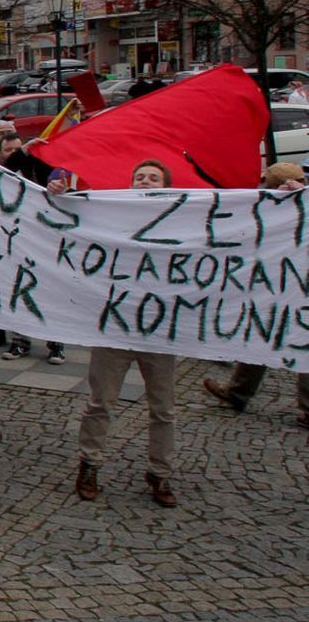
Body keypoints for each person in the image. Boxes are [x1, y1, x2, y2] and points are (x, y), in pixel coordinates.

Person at [68, 159, 183, 507]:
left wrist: (287, 194)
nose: (145, 181)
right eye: (139, 177)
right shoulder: (111, 215)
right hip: (115, 327)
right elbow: (74, 217)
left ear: (166, 186)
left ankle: (160, 472)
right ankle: (89, 464)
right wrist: (60, 193)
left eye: (153, 178)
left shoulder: (182, 221)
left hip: (158, 331)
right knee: (100, 402)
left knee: (163, 408)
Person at [202, 162, 309, 428]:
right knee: (264, 334)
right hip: (277, 283)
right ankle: (238, 391)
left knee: (303, 342)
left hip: (298, 284)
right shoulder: (272, 208)